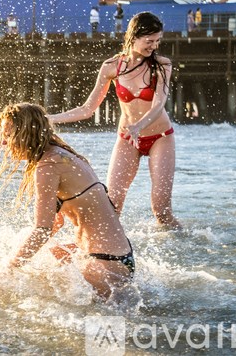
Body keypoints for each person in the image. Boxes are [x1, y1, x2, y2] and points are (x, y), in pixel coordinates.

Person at [47, 12, 181, 228]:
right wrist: (50, 118)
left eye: (157, 41)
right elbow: (88, 108)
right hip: (127, 137)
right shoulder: (112, 67)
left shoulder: (162, 65)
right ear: (133, 37)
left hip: (160, 137)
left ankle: (184, 243)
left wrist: (138, 126)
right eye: (149, 41)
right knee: (112, 206)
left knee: (161, 210)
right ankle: (99, 253)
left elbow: (158, 104)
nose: (154, 47)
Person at [0, 103, 135, 300]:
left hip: (104, 267)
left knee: (26, 296)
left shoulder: (48, 166)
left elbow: (42, 229)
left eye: (8, 135)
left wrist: (8, 268)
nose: (4, 143)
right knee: (46, 256)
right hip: (120, 260)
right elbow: (55, 224)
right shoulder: (65, 155)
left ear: (26, 133)